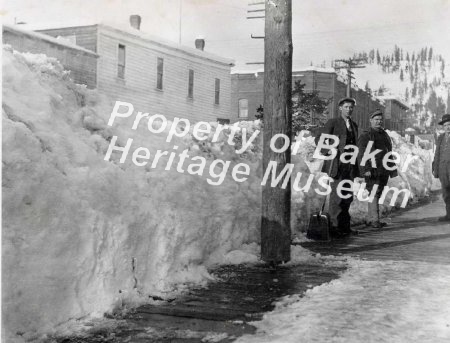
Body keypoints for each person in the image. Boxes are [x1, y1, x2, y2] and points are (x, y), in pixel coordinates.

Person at [315, 97, 359, 237]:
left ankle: (345, 227)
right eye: (346, 106)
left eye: (351, 107)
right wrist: (327, 150)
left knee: (347, 196)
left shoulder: (354, 125)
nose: (349, 109)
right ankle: (334, 228)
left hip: (349, 166)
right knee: (336, 198)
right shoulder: (333, 122)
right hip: (336, 165)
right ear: (340, 108)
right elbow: (319, 138)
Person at [357, 109, 398, 228]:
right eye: (376, 120)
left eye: (380, 120)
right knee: (374, 192)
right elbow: (362, 153)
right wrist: (366, 169)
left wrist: (392, 169)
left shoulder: (384, 135)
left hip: (383, 169)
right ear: (371, 121)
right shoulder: (366, 135)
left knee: (377, 193)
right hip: (373, 170)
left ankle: (371, 219)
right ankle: (374, 220)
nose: (378, 122)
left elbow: (388, 152)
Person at [432, 114, 450, 222]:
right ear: (443, 127)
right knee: (446, 194)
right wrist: (435, 168)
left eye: (449, 124)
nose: (448, 127)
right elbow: (437, 154)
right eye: (446, 125)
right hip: (443, 170)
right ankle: (449, 215)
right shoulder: (441, 138)